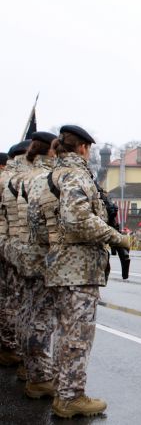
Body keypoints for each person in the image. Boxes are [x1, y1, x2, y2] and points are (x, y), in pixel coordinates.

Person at [45, 125, 131, 418]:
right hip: (78, 268)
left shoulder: (53, 175)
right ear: (83, 148)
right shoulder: (76, 175)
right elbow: (78, 219)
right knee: (77, 336)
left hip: (61, 265)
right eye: (89, 148)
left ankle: (63, 391)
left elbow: (37, 222)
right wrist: (116, 238)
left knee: (64, 333)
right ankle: (71, 398)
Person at [17, 132, 58, 399]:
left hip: (25, 250)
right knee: (41, 318)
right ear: (50, 151)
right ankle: (39, 376)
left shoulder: (23, 177)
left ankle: (30, 368)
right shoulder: (44, 178)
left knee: (28, 312)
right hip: (42, 253)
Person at [0, 140, 31, 370]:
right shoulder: (17, 180)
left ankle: (9, 347)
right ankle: (14, 349)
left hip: (6, 243)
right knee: (18, 302)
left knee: (8, 298)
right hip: (17, 244)